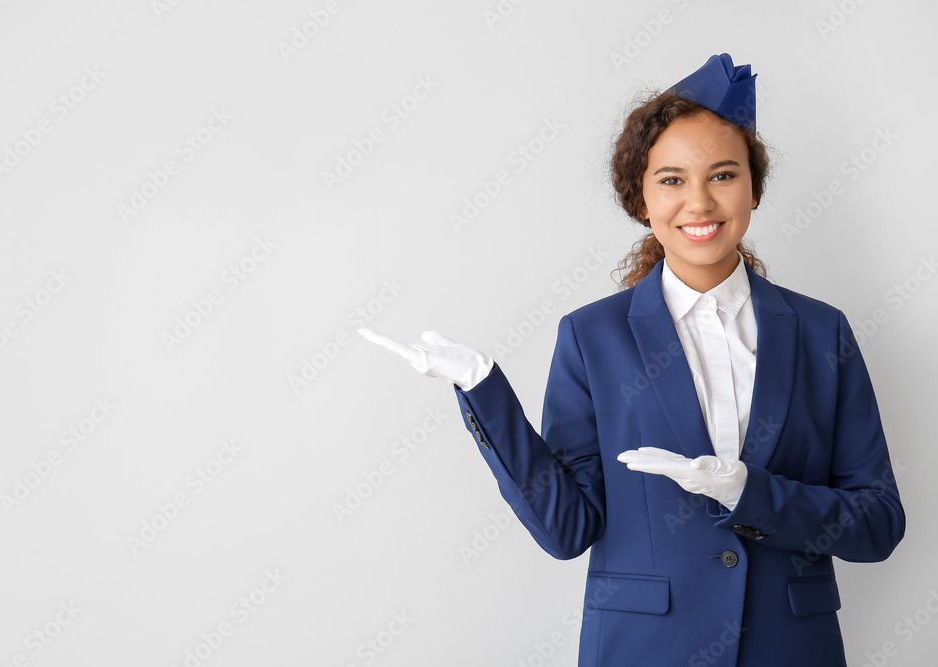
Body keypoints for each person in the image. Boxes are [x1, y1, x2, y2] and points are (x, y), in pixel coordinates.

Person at [359, 54, 905, 666]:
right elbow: (568, 530)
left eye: (722, 175)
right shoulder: (593, 337)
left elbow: (877, 523)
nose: (698, 203)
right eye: (671, 180)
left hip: (789, 649)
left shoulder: (820, 332)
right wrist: (483, 388)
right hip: (645, 650)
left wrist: (749, 491)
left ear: (753, 187)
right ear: (639, 198)